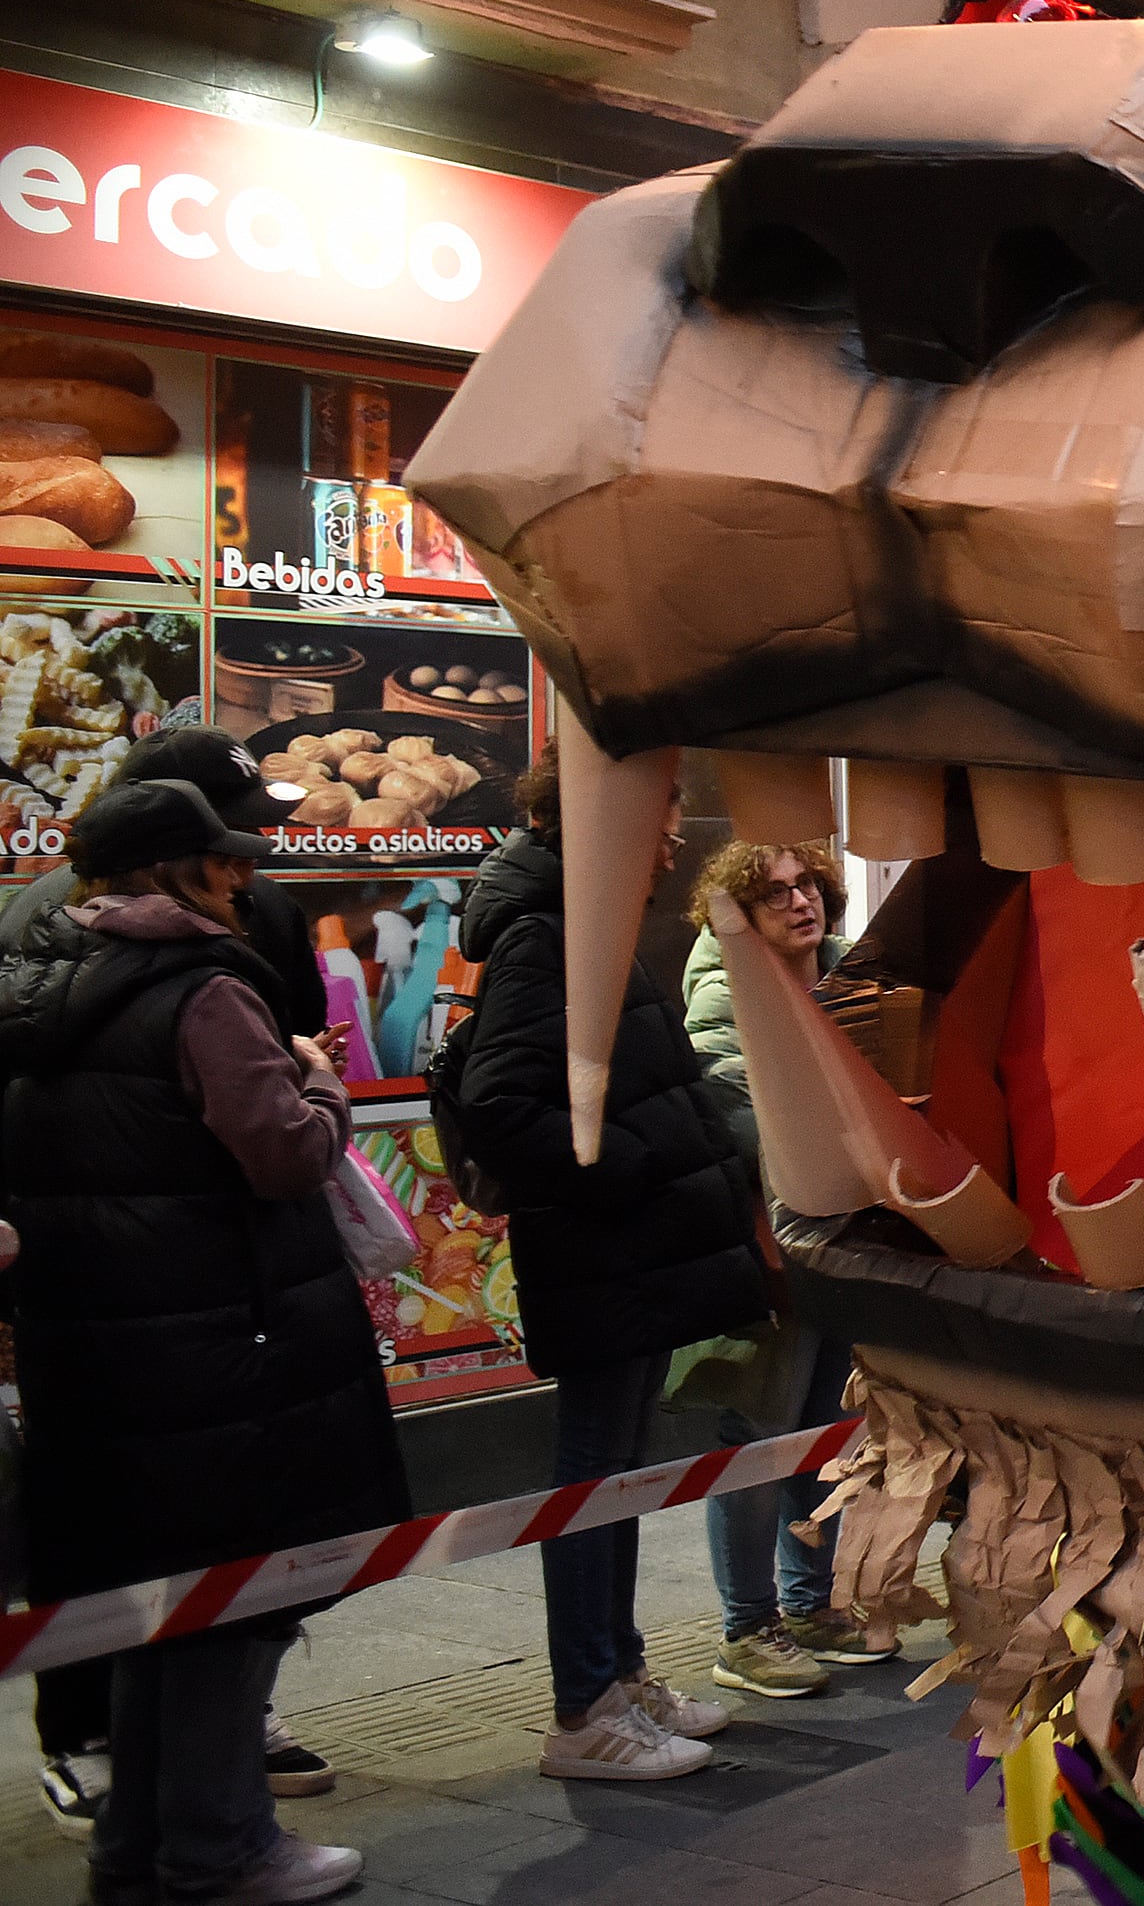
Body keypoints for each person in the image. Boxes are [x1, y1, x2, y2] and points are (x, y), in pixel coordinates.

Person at [1, 779, 410, 1904]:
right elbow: (280, 1154)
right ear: (180, 872)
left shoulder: (35, 985)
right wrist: (322, 1086)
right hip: (228, 1343)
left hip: (95, 1349)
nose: (243, 879)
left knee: (151, 1605)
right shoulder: (206, 988)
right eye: (223, 862)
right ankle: (222, 1845)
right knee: (232, 1600)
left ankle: (138, 1843)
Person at [459, 745, 769, 1780]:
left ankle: (617, 1672)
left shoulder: (585, 922)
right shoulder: (546, 934)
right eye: (662, 809)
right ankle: (584, 1706)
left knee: (618, 1469)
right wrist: (633, 1167)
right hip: (602, 1252)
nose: (676, 831)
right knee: (591, 1472)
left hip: (625, 1256)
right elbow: (505, 1102)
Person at [677, 837, 886, 1703]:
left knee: (823, 1430)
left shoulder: (848, 979)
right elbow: (756, 1124)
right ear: (738, 916)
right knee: (757, 1436)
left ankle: (811, 1603)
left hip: (838, 1232)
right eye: (774, 895)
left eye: (808, 886)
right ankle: (746, 1626)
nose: (801, 904)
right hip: (765, 1247)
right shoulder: (722, 998)